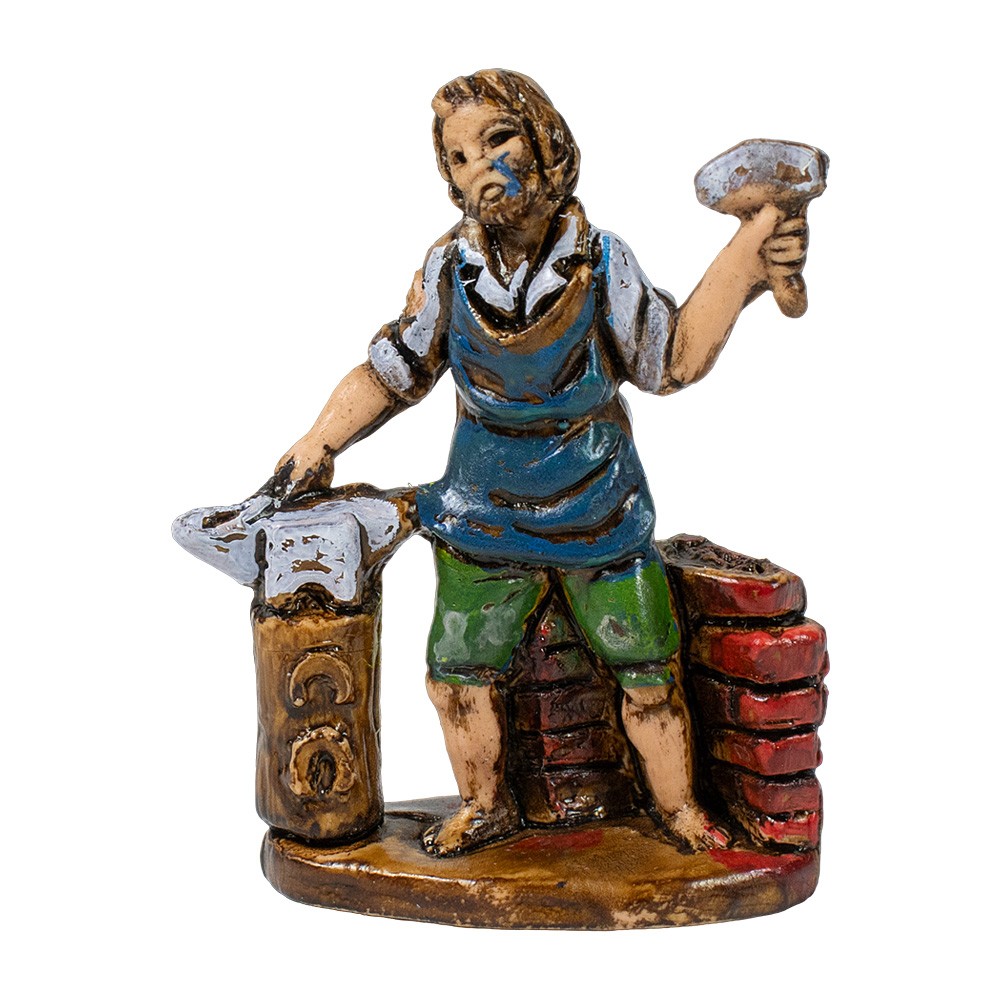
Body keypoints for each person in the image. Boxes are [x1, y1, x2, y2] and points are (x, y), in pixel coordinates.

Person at [274, 70, 807, 856]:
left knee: (649, 678)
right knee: (456, 680)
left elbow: (672, 360)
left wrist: (747, 262)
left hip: (600, 513)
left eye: (498, 140)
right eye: (458, 157)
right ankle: (485, 804)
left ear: (547, 143)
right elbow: (393, 373)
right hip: (481, 515)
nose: (480, 168)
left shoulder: (601, 261)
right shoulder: (449, 271)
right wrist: (318, 442)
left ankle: (678, 809)